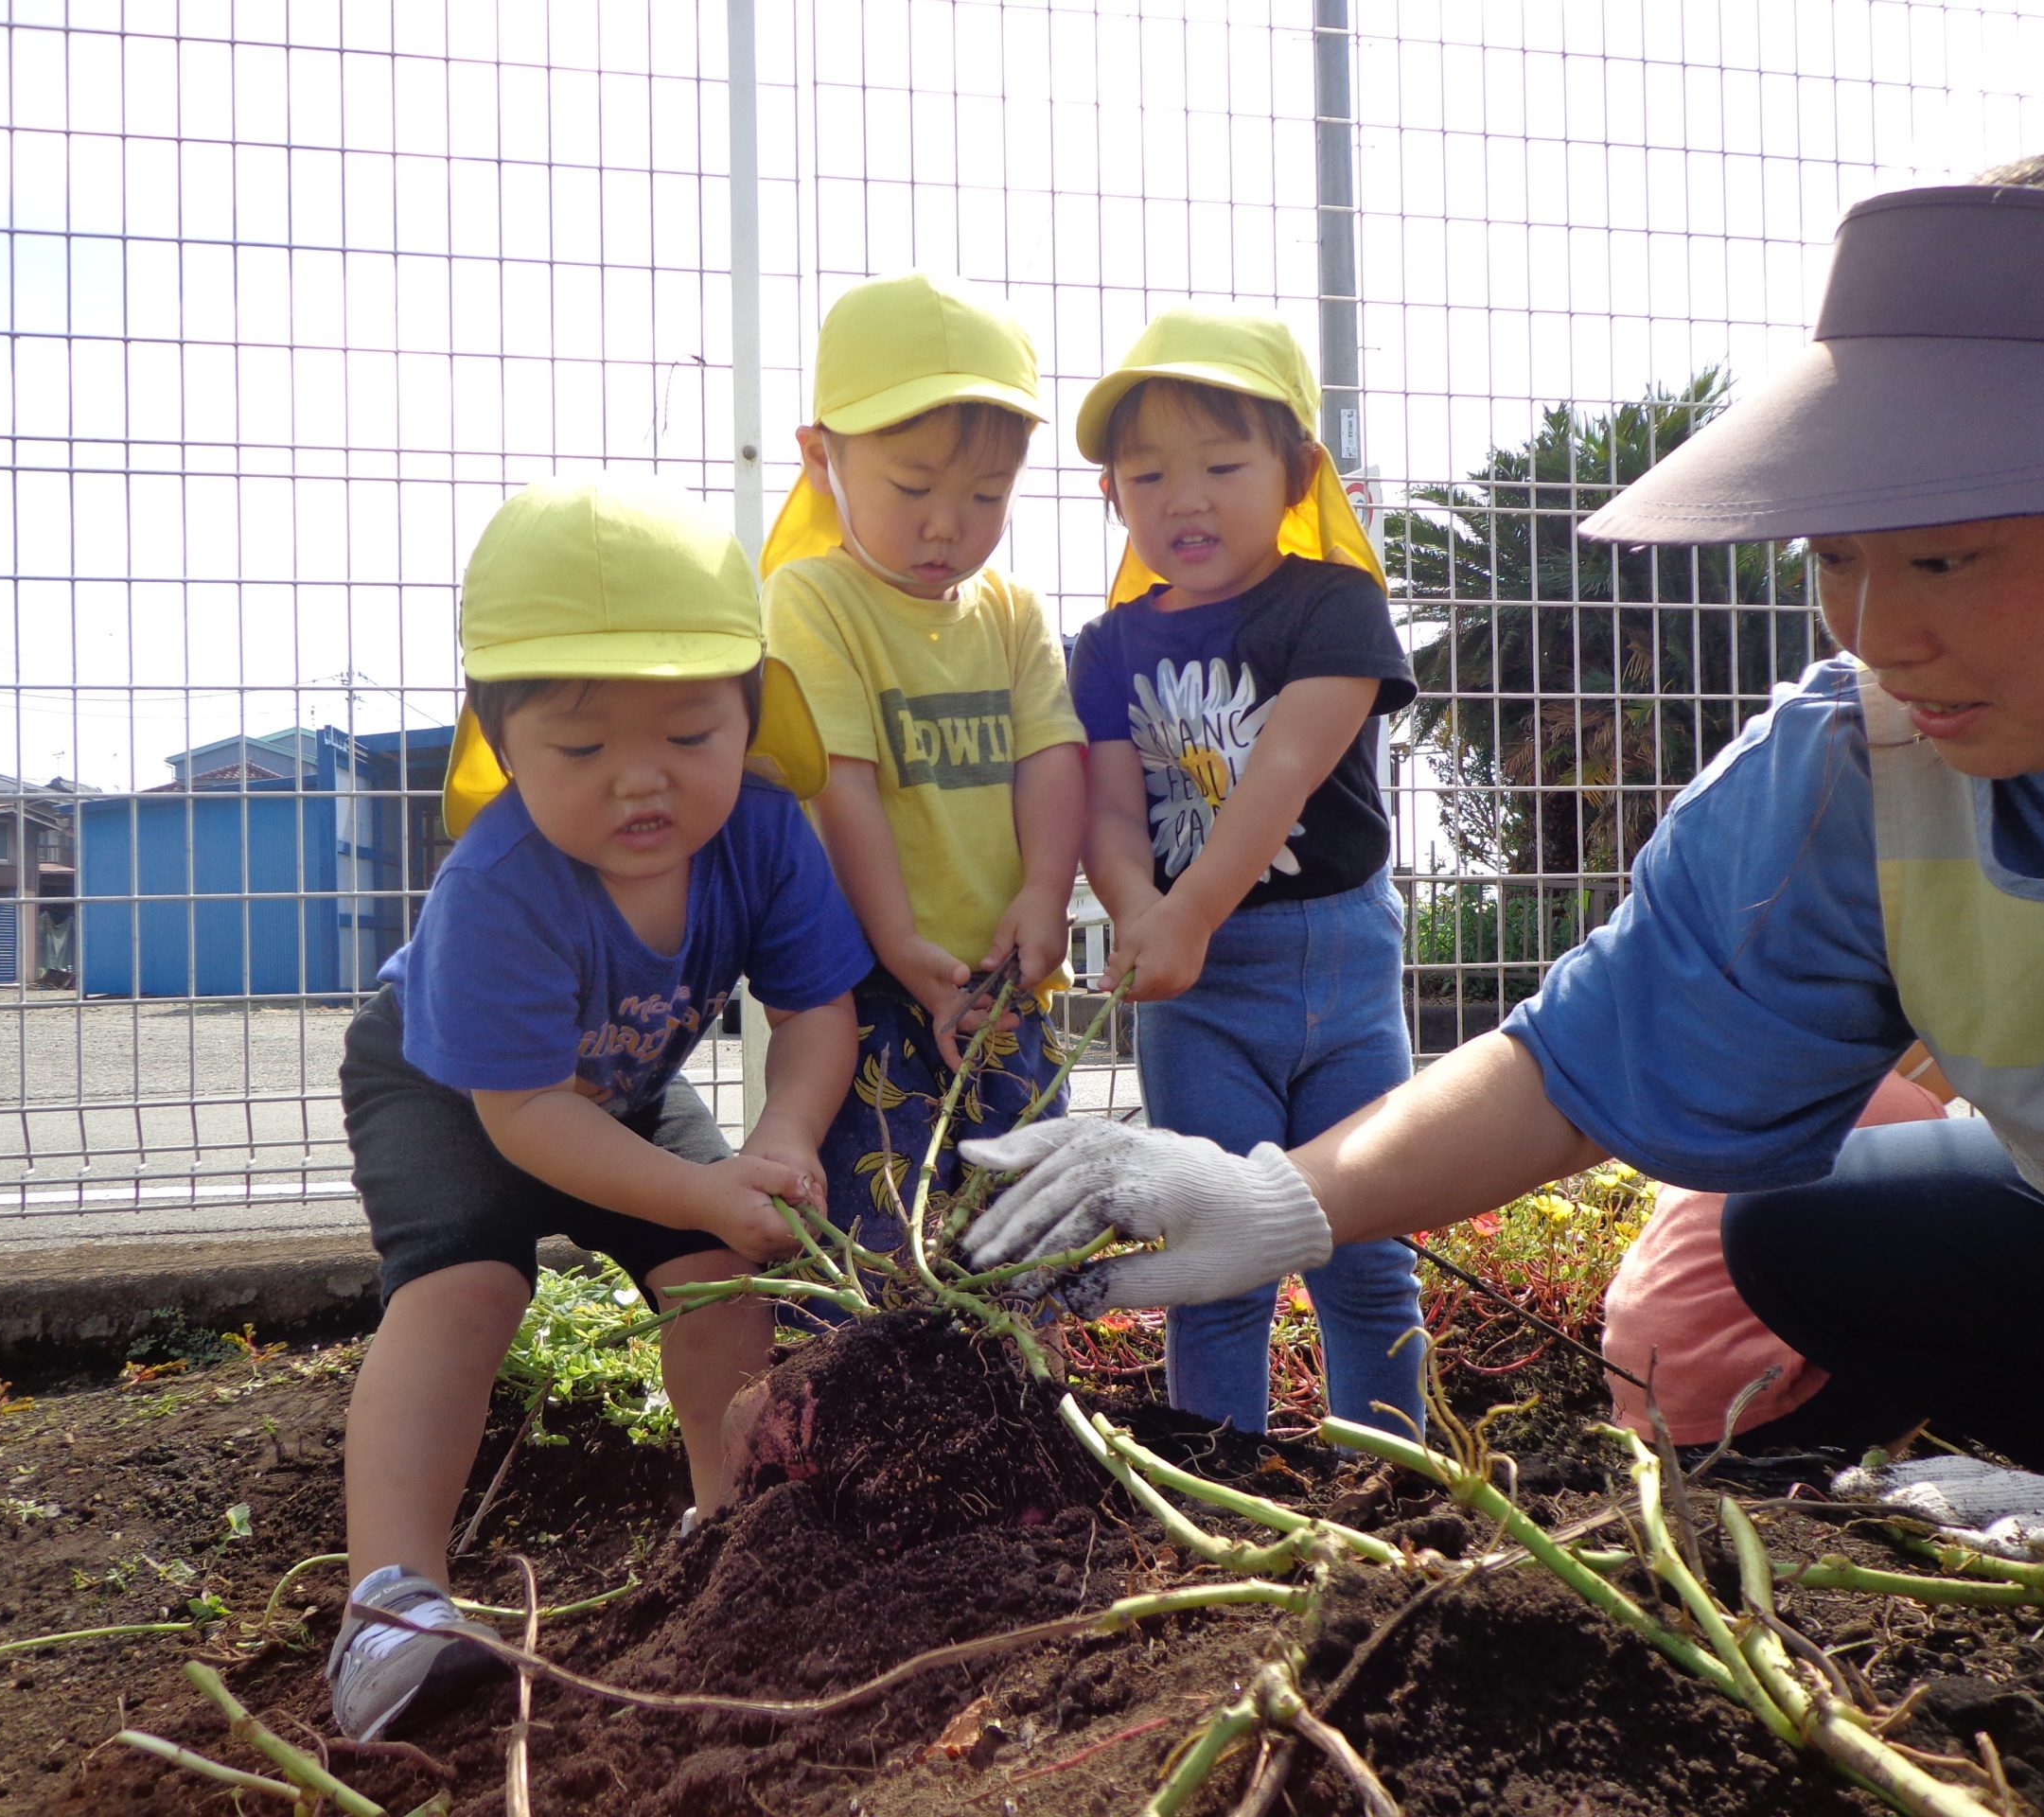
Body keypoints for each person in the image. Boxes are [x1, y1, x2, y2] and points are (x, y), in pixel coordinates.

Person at [960, 149, 2044, 1579]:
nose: (1873, 628)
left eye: (1947, 560)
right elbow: (1585, 1054)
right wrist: (1277, 1202)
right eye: (1839, 554)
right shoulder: (1865, 768)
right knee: (1802, 1237)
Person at [328, 477, 871, 1738]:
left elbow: (817, 1014)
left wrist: (781, 1142)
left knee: (719, 1275)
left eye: (691, 737)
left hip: (619, 1082)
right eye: (582, 749)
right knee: (467, 1285)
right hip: (447, 1082)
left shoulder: (768, 838)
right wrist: (701, 1186)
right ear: (503, 745)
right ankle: (391, 1611)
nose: (645, 783)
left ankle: (729, 1541)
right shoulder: (499, 883)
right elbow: (523, 1122)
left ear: (750, 716)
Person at [1066, 307, 1425, 1437]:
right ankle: (1231, 1493)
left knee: (1366, 1251)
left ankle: (1399, 1484)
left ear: (1297, 472)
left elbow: (1283, 767)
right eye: (1147, 472)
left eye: (1223, 464)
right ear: (1113, 495)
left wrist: (1185, 914)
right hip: (1196, 995)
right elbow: (1110, 811)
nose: (1185, 497)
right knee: (1214, 1261)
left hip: (1339, 968)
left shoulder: (1334, 605)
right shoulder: (1109, 644)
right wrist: (1139, 916)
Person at [760, 271, 1086, 1254]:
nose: (949, 522)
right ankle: (855, 1405)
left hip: (1001, 980)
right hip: (863, 985)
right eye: (912, 487)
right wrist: (901, 944)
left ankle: (1029, 1396)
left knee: (1027, 1225)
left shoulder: (1014, 613)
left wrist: (1045, 895)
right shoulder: (812, 599)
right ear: (822, 459)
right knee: (874, 1231)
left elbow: (1052, 760)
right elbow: (839, 783)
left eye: (987, 494)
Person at [1603, 1050, 1950, 1446]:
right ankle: (1872, 1469)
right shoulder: (1907, 1106)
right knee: (1957, 1290)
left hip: (1644, 1394)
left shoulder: (1752, 1084)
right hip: (1751, 1415)